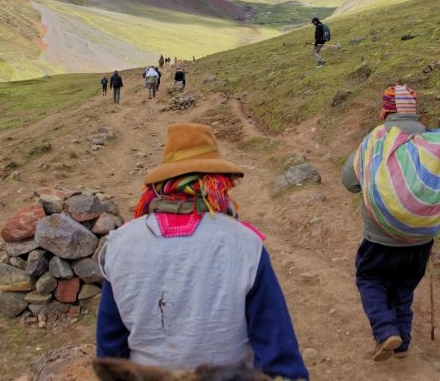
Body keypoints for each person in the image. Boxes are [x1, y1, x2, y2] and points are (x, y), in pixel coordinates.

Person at [96, 123, 309, 380]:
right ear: (216, 183)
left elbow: (110, 350)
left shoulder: (120, 245)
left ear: (163, 182)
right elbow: (277, 350)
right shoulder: (245, 245)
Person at [341, 85, 438, 362]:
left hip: (380, 236)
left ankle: (385, 332)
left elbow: (349, 181)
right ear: (414, 109)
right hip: (421, 237)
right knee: (403, 287)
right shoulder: (430, 138)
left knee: (369, 278)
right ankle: (402, 343)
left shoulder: (377, 137)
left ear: (386, 109)